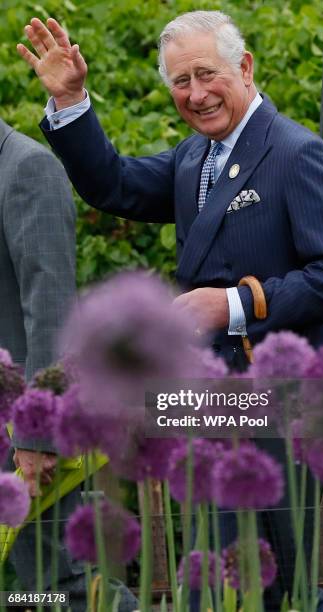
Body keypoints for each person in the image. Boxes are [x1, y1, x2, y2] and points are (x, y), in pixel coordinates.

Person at [17, 10, 323, 610]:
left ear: (246, 67)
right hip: (209, 407)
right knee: (226, 580)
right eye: (181, 82)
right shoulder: (194, 158)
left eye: (207, 74)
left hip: (277, 409)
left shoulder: (297, 153)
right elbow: (114, 185)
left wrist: (231, 304)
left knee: (278, 589)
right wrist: (73, 102)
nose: (196, 94)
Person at [0, 120, 137, 611]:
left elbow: (51, 311)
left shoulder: (27, 167)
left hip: (21, 437)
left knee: (58, 587)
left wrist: (37, 438)